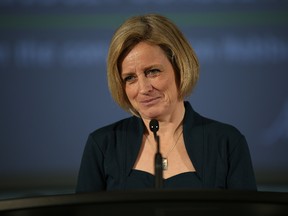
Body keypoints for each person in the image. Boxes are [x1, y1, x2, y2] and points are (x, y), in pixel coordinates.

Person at [76, 13, 257, 192]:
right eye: (130, 78)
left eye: (152, 71)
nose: (143, 88)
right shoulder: (103, 146)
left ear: (180, 66)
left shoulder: (226, 143)